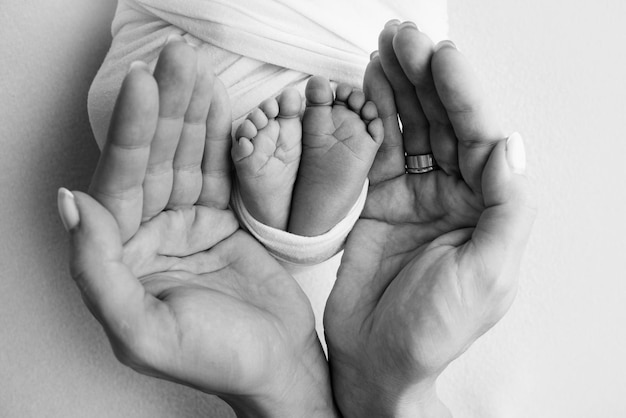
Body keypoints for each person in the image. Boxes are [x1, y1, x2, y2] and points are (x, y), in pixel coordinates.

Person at [58, 21, 535, 417]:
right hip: (279, 144)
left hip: (187, 174)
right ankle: (302, 226)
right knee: (377, 76)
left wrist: (291, 392)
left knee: (165, 92)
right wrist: (383, 394)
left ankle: (291, 220)